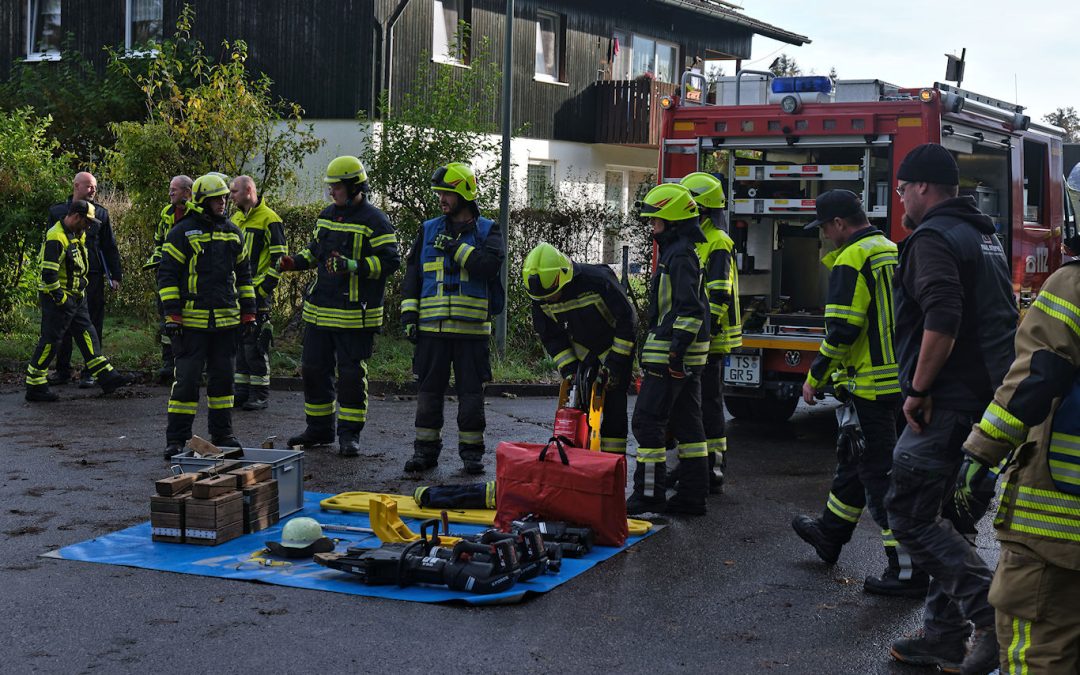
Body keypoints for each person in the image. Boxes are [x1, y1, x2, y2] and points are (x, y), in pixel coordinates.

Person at [885, 144, 1017, 675]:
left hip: (947, 403)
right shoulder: (984, 236)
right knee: (953, 518)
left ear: (920, 187)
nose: (900, 202)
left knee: (910, 513)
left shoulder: (932, 238)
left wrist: (918, 388)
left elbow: (943, 314)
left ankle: (991, 618)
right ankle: (942, 636)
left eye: (900, 191)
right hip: (987, 402)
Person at [788, 189, 927, 598]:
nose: (827, 238)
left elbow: (843, 330)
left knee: (879, 477)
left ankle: (905, 570)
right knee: (857, 461)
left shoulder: (851, 258)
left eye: (826, 229)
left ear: (839, 224)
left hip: (869, 385)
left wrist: (815, 376)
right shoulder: (890, 248)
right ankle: (830, 534)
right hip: (900, 379)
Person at [959, 229, 1080, 673]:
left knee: (1038, 652)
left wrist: (980, 453)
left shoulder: (1072, 285)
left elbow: (1039, 376)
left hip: (1060, 525)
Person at [277, 156, 399, 457]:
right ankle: (319, 429)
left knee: (351, 376)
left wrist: (355, 265)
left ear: (354, 186)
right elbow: (317, 250)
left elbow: (390, 261)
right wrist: (295, 262)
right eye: (331, 187)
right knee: (313, 370)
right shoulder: (328, 214)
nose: (332, 193)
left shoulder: (375, 220)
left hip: (355, 315)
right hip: (320, 311)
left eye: (336, 187)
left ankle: (349, 435)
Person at [400, 163, 505, 474]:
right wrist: (409, 313)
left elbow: (488, 266)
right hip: (432, 330)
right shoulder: (428, 229)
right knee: (428, 395)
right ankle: (424, 454)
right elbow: (413, 275)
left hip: (472, 333)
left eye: (447, 192)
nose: (442, 198)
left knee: (471, 396)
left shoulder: (488, 230)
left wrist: (458, 250)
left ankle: (472, 456)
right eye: (440, 193)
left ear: (463, 194)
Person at [626, 183, 711, 516]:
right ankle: (692, 495)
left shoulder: (679, 257)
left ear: (672, 220)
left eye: (656, 220)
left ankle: (649, 495)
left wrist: (675, 353)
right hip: (682, 356)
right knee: (688, 427)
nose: (652, 226)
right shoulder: (680, 252)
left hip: (672, 358)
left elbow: (690, 310)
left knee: (647, 422)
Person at [158, 173, 256, 460]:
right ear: (201, 201)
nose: (223, 203)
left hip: (226, 324)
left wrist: (249, 314)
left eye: (225, 197)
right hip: (191, 324)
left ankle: (223, 435)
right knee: (186, 382)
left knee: (223, 382)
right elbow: (167, 276)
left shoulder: (233, 232)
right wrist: (172, 316)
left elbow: (245, 276)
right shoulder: (181, 232)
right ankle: (177, 439)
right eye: (217, 198)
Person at [522, 242, 637, 454]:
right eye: (543, 298)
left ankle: (612, 461)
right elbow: (552, 337)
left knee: (614, 407)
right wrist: (569, 369)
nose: (548, 300)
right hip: (581, 353)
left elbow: (627, 321)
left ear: (564, 277)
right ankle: (577, 458)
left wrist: (615, 364)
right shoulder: (540, 297)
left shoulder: (598, 281)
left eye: (551, 295)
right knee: (576, 408)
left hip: (614, 348)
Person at [25, 200, 133, 402]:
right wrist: (62, 299)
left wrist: (77, 295)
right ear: (76, 217)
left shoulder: (75, 234)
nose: (89, 227)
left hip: (76, 297)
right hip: (58, 299)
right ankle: (34, 384)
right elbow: (48, 274)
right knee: (51, 341)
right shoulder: (56, 237)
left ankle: (106, 377)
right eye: (88, 222)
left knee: (87, 335)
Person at [680, 171, 741, 492]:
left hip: (710, 341)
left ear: (699, 209)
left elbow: (718, 296)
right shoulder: (697, 241)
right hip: (701, 337)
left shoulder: (717, 242)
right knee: (696, 405)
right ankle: (697, 467)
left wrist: (700, 334)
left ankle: (713, 470)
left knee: (709, 405)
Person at [47, 172, 122, 388]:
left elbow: (109, 246)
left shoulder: (101, 214)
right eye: (89, 186)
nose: (93, 190)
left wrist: (115, 275)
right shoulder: (58, 212)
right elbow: (50, 246)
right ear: (76, 186)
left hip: (93, 277)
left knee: (92, 323)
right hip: (65, 277)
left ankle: (91, 371)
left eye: (95, 187)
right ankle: (62, 370)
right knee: (63, 325)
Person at [229, 175, 287, 411]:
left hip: (258, 293)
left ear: (249, 190)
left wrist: (263, 289)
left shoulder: (270, 219)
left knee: (256, 344)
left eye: (234, 192)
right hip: (237, 293)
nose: (230, 196)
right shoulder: (234, 218)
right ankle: (242, 391)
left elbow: (280, 260)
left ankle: (260, 393)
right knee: (240, 345)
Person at [142, 175, 193, 384]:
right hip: (168, 273)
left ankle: (189, 364)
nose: (170, 193)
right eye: (170, 189)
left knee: (188, 319)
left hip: (189, 275)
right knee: (166, 317)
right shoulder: (167, 212)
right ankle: (168, 363)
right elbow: (159, 241)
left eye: (175, 189)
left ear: (188, 192)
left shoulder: (197, 213)